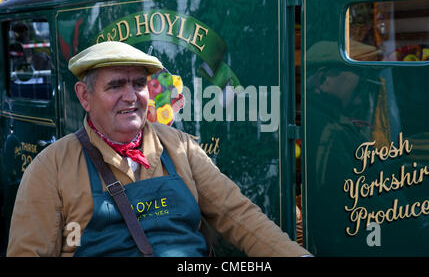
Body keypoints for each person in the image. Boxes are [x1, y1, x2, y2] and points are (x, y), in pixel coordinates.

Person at [7, 41, 312, 257]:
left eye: (138, 84)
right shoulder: (52, 166)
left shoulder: (180, 147)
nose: (131, 97)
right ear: (84, 96)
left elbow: (238, 215)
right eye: (115, 86)